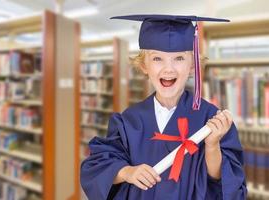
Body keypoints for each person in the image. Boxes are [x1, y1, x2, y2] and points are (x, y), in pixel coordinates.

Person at [80, 14, 247, 200]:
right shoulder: (129, 120)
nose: (168, 69)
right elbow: (98, 166)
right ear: (144, 65)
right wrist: (127, 172)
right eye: (157, 59)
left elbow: (223, 183)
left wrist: (212, 145)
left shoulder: (211, 120)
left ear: (193, 65)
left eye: (179, 58)